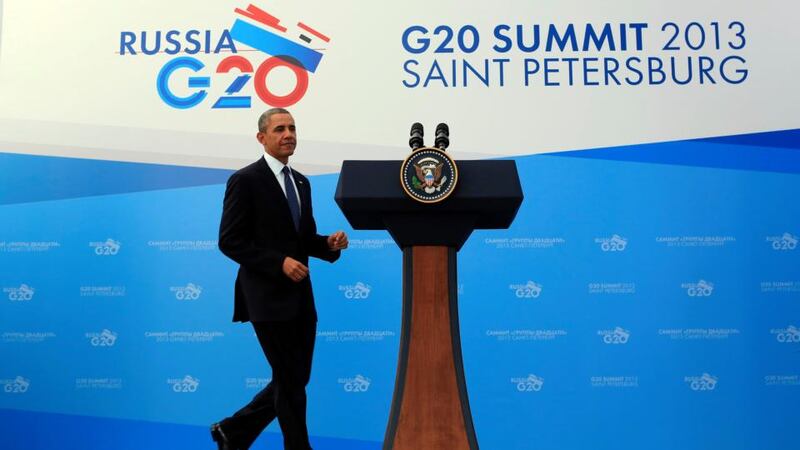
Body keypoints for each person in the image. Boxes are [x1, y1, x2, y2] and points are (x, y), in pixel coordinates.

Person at [212, 108, 348, 450]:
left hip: (301, 298)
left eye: (292, 128)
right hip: (266, 298)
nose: (288, 134)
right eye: (279, 129)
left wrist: (328, 245)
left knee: (295, 377)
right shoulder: (245, 180)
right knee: (290, 381)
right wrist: (279, 263)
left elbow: (303, 239)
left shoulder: (301, 181)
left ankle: (233, 431)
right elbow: (230, 240)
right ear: (262, 138)